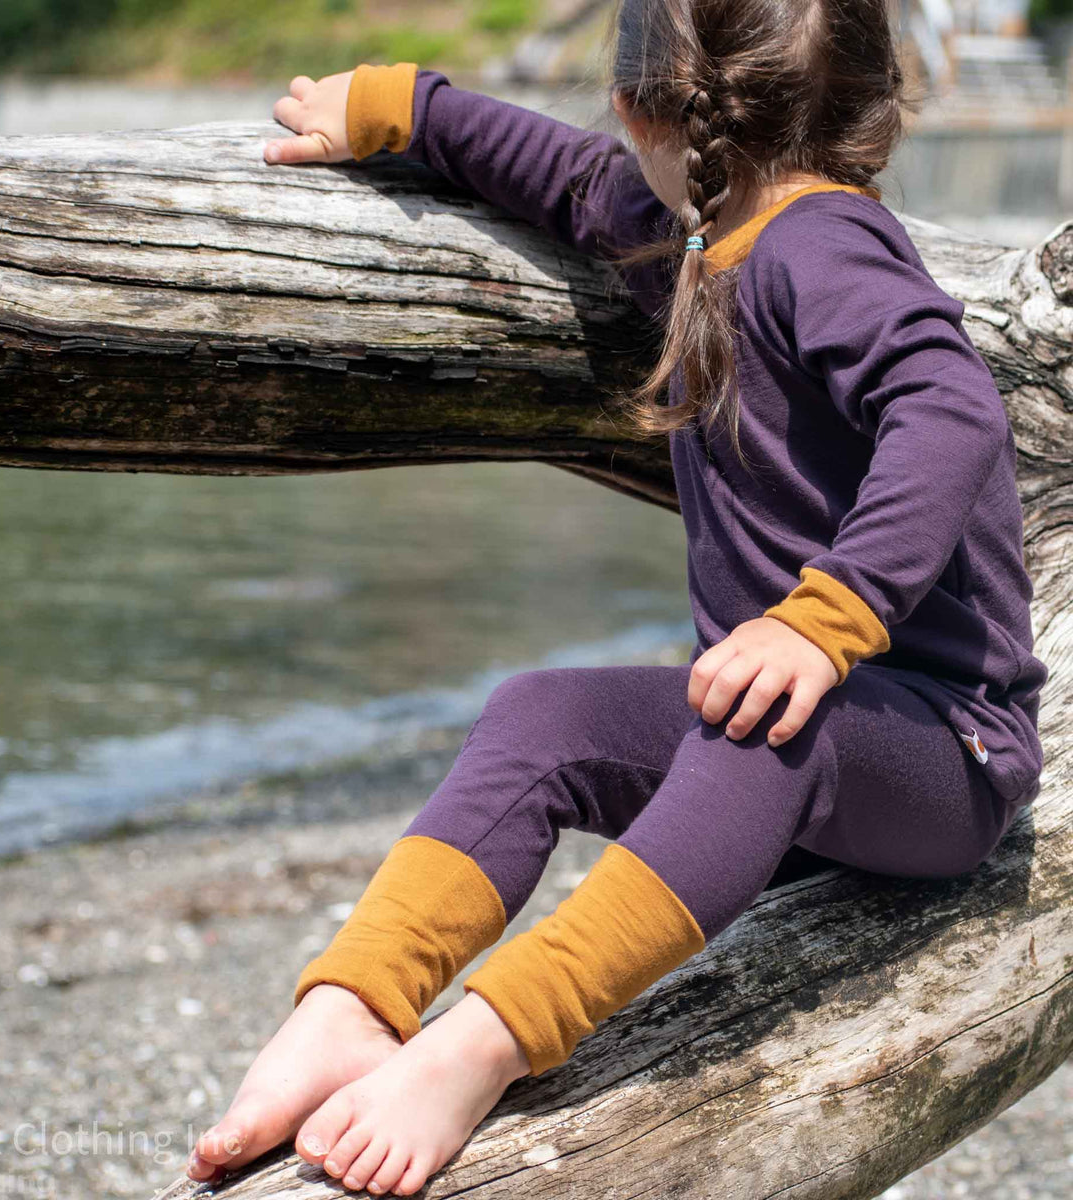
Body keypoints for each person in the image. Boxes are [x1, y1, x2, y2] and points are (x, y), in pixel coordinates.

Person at [185, 0, 1049, 1193]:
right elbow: (563, 177)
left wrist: (825, 619)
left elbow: (950, 408)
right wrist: (400, 109)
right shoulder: (699, 234)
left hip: (949, 755)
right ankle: (355, 1000)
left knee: (764, 729)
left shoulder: (824, 246)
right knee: (541, 714)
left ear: (645, 102)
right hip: (813, 756)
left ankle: (484, 1043)